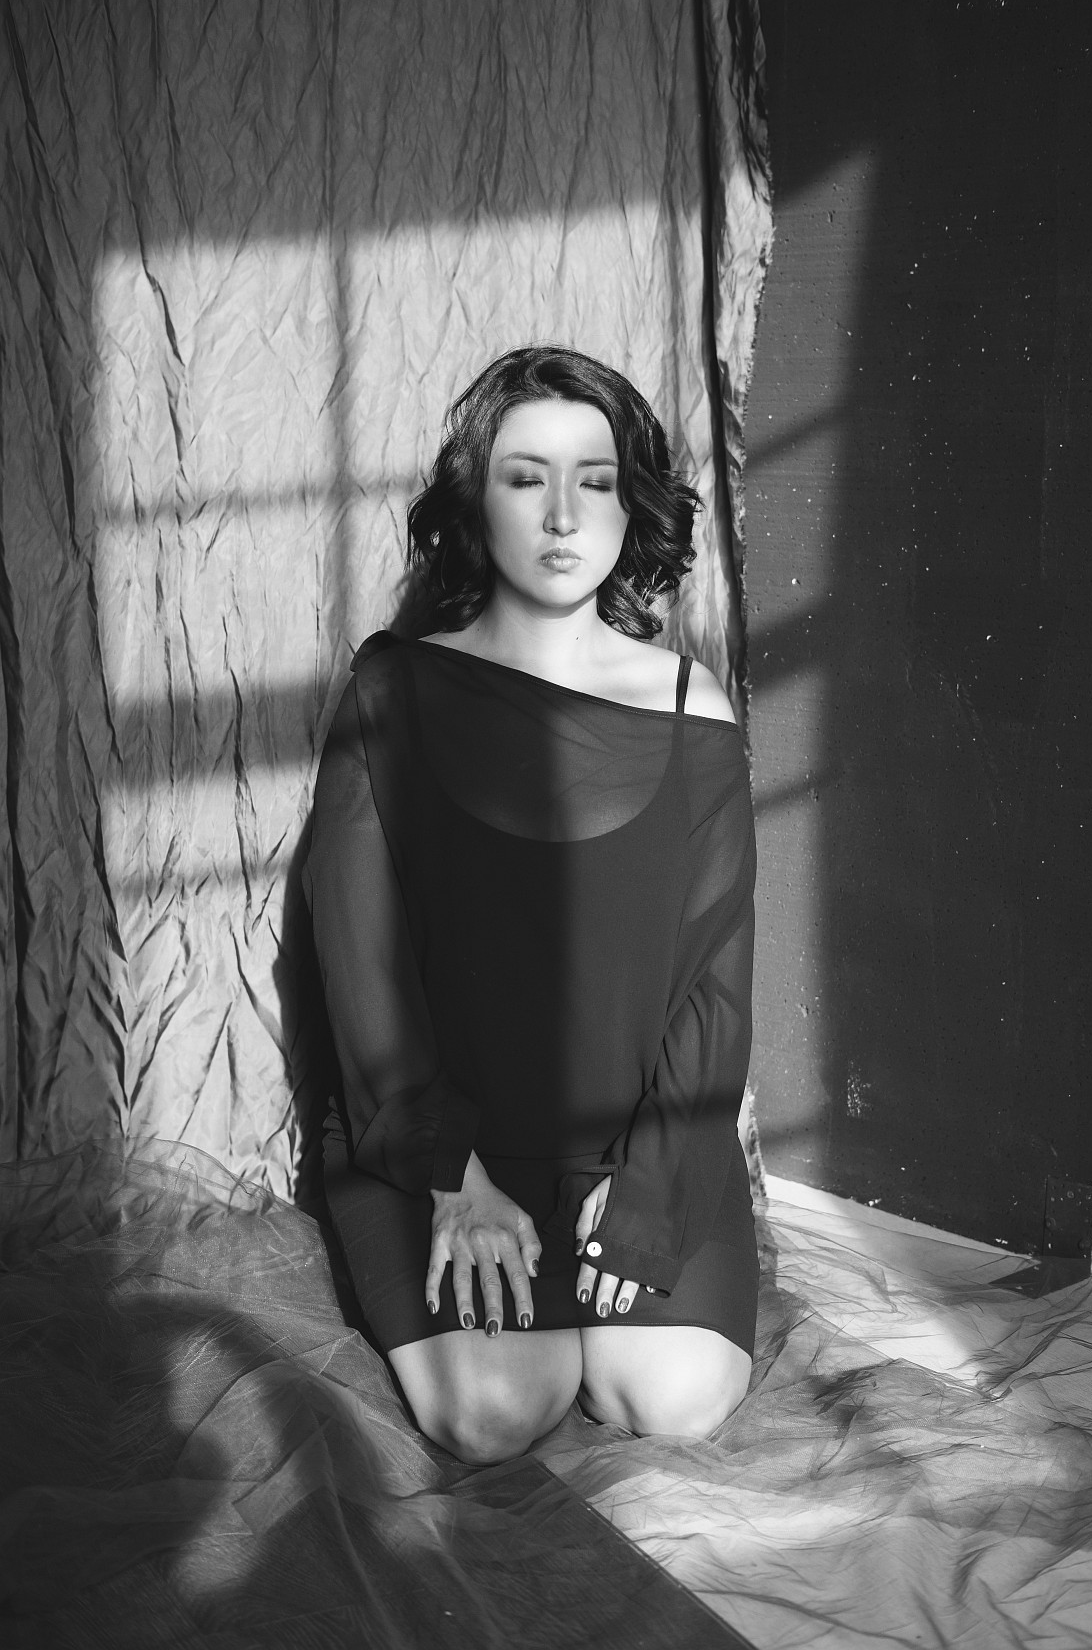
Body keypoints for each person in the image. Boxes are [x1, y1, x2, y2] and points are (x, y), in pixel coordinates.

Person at [304, 345, 758, 1465]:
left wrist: (652, 1186)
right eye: (525, 478)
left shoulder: (692, 704)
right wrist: (452, 1181)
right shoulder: (390, 691)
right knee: (499, 1411)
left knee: (675, 1397)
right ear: (476, 502)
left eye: (595, 480)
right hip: (438, 1145)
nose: (563, 515)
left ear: (630, 502)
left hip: (638, 1138)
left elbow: (716, 979)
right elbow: (358, 962)